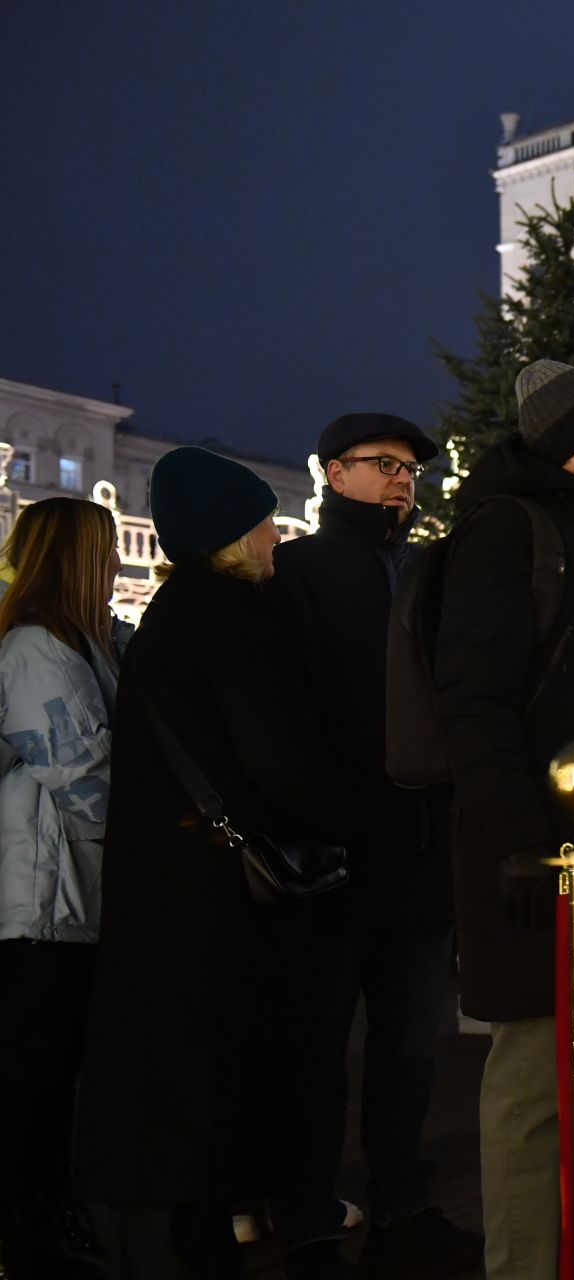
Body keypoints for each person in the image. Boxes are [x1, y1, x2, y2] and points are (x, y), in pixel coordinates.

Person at [74, 448, 345, 1278]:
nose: (276, 534)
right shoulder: (233, 618)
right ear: (228, 534)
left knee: (172, 1070)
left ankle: (171, 1235)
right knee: (214, 1071)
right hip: (218, 893)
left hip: (169, 882)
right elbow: (279, 758)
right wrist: (349, 820)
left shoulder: (172, 615)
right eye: (263, 520)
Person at [431, 360, 574, 1280]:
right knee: (530, 1079)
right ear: (565, 442)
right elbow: (473, 703)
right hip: (531, 857)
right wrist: (520, 842)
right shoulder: (507, 534)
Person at [263, 413, 480, 1278]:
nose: (402, 480)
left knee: (409, 1053)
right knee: (316, 1052)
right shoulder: (296, 570)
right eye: (383, 465)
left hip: (420, 854)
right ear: (331, 473)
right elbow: (287, 712)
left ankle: (405, 1204)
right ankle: (307, 1216)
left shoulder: (430, 570)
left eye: (412, 470)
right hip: (333, 854)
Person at [0, 498, 124, 1278]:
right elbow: (85, 774)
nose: (114, 564)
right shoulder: (38, 649)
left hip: (70, 895)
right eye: (104, 550)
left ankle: (42, 1220)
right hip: (42, 901)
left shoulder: (84, 645)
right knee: (32, 1079)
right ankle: (28, 1233)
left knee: (48, 1076)